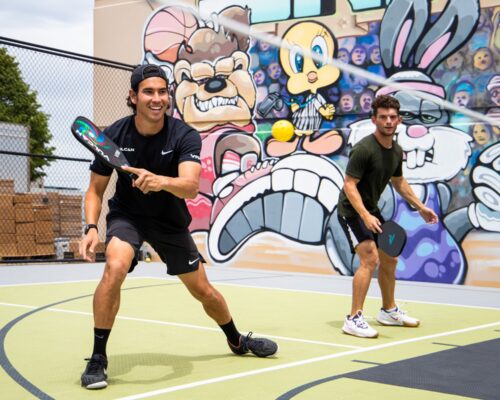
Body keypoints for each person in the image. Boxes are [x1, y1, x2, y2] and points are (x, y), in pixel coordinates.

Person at [79, 64, 278, 390]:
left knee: (204, 291)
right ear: (133, 96)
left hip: (169, 221)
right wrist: (90, 226)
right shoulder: (114, 135)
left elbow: (189, 186)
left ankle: (236, 339)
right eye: (148, 92)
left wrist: (159, 182)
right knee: (114, 267)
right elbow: (95, 190)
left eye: (161, 91)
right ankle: (98, 357)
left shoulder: (182, 135)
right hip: (127, 215)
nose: (156, 98)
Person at [337, 95, 438, 338]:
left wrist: (420, 206)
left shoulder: (396, 151)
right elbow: (350, 185)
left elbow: (398, 181)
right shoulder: (364, 149)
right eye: (383, 117)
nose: (388, 121)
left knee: (390, 258)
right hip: (351, 211)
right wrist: (364, 215)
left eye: (392, 117)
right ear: (374, 120)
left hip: (370, 210)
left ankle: (388, 310)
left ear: (399, 120)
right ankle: (353, 318)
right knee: (370, 258)